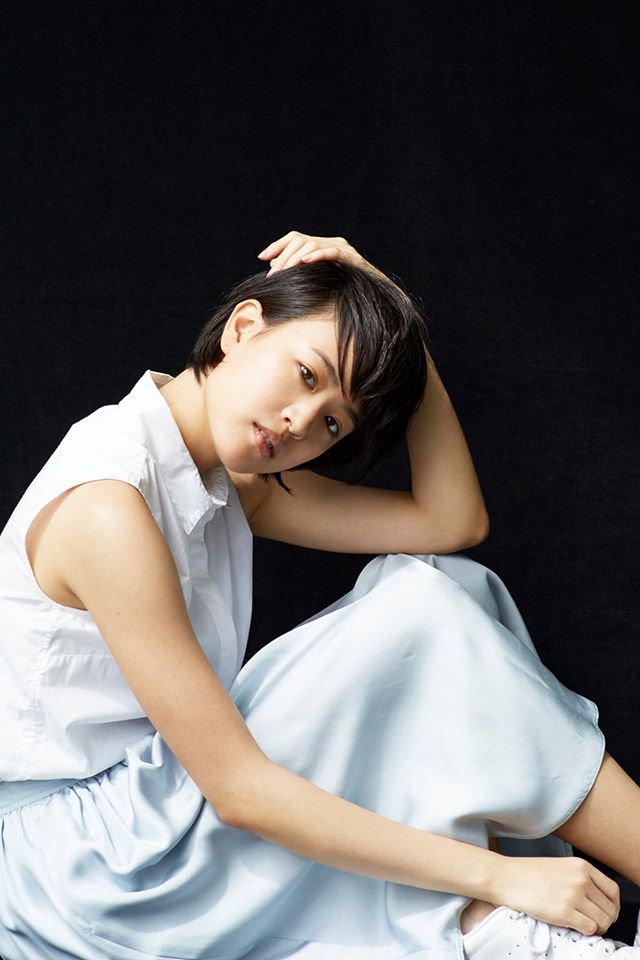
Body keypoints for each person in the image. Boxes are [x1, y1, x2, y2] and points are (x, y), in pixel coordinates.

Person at [0, 231, 639, 960]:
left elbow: (451, 522)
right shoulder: (108, 508)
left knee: (452, 586)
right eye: (306, 375)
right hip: (76, 868)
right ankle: (501, 910)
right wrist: (504, 875)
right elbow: (241, 791)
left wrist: (392, 318)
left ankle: (493, 931)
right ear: (243, 328)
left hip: (155, 813)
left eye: (333, 422)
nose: (301, 423)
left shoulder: (223, 483)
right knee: (420, 616)